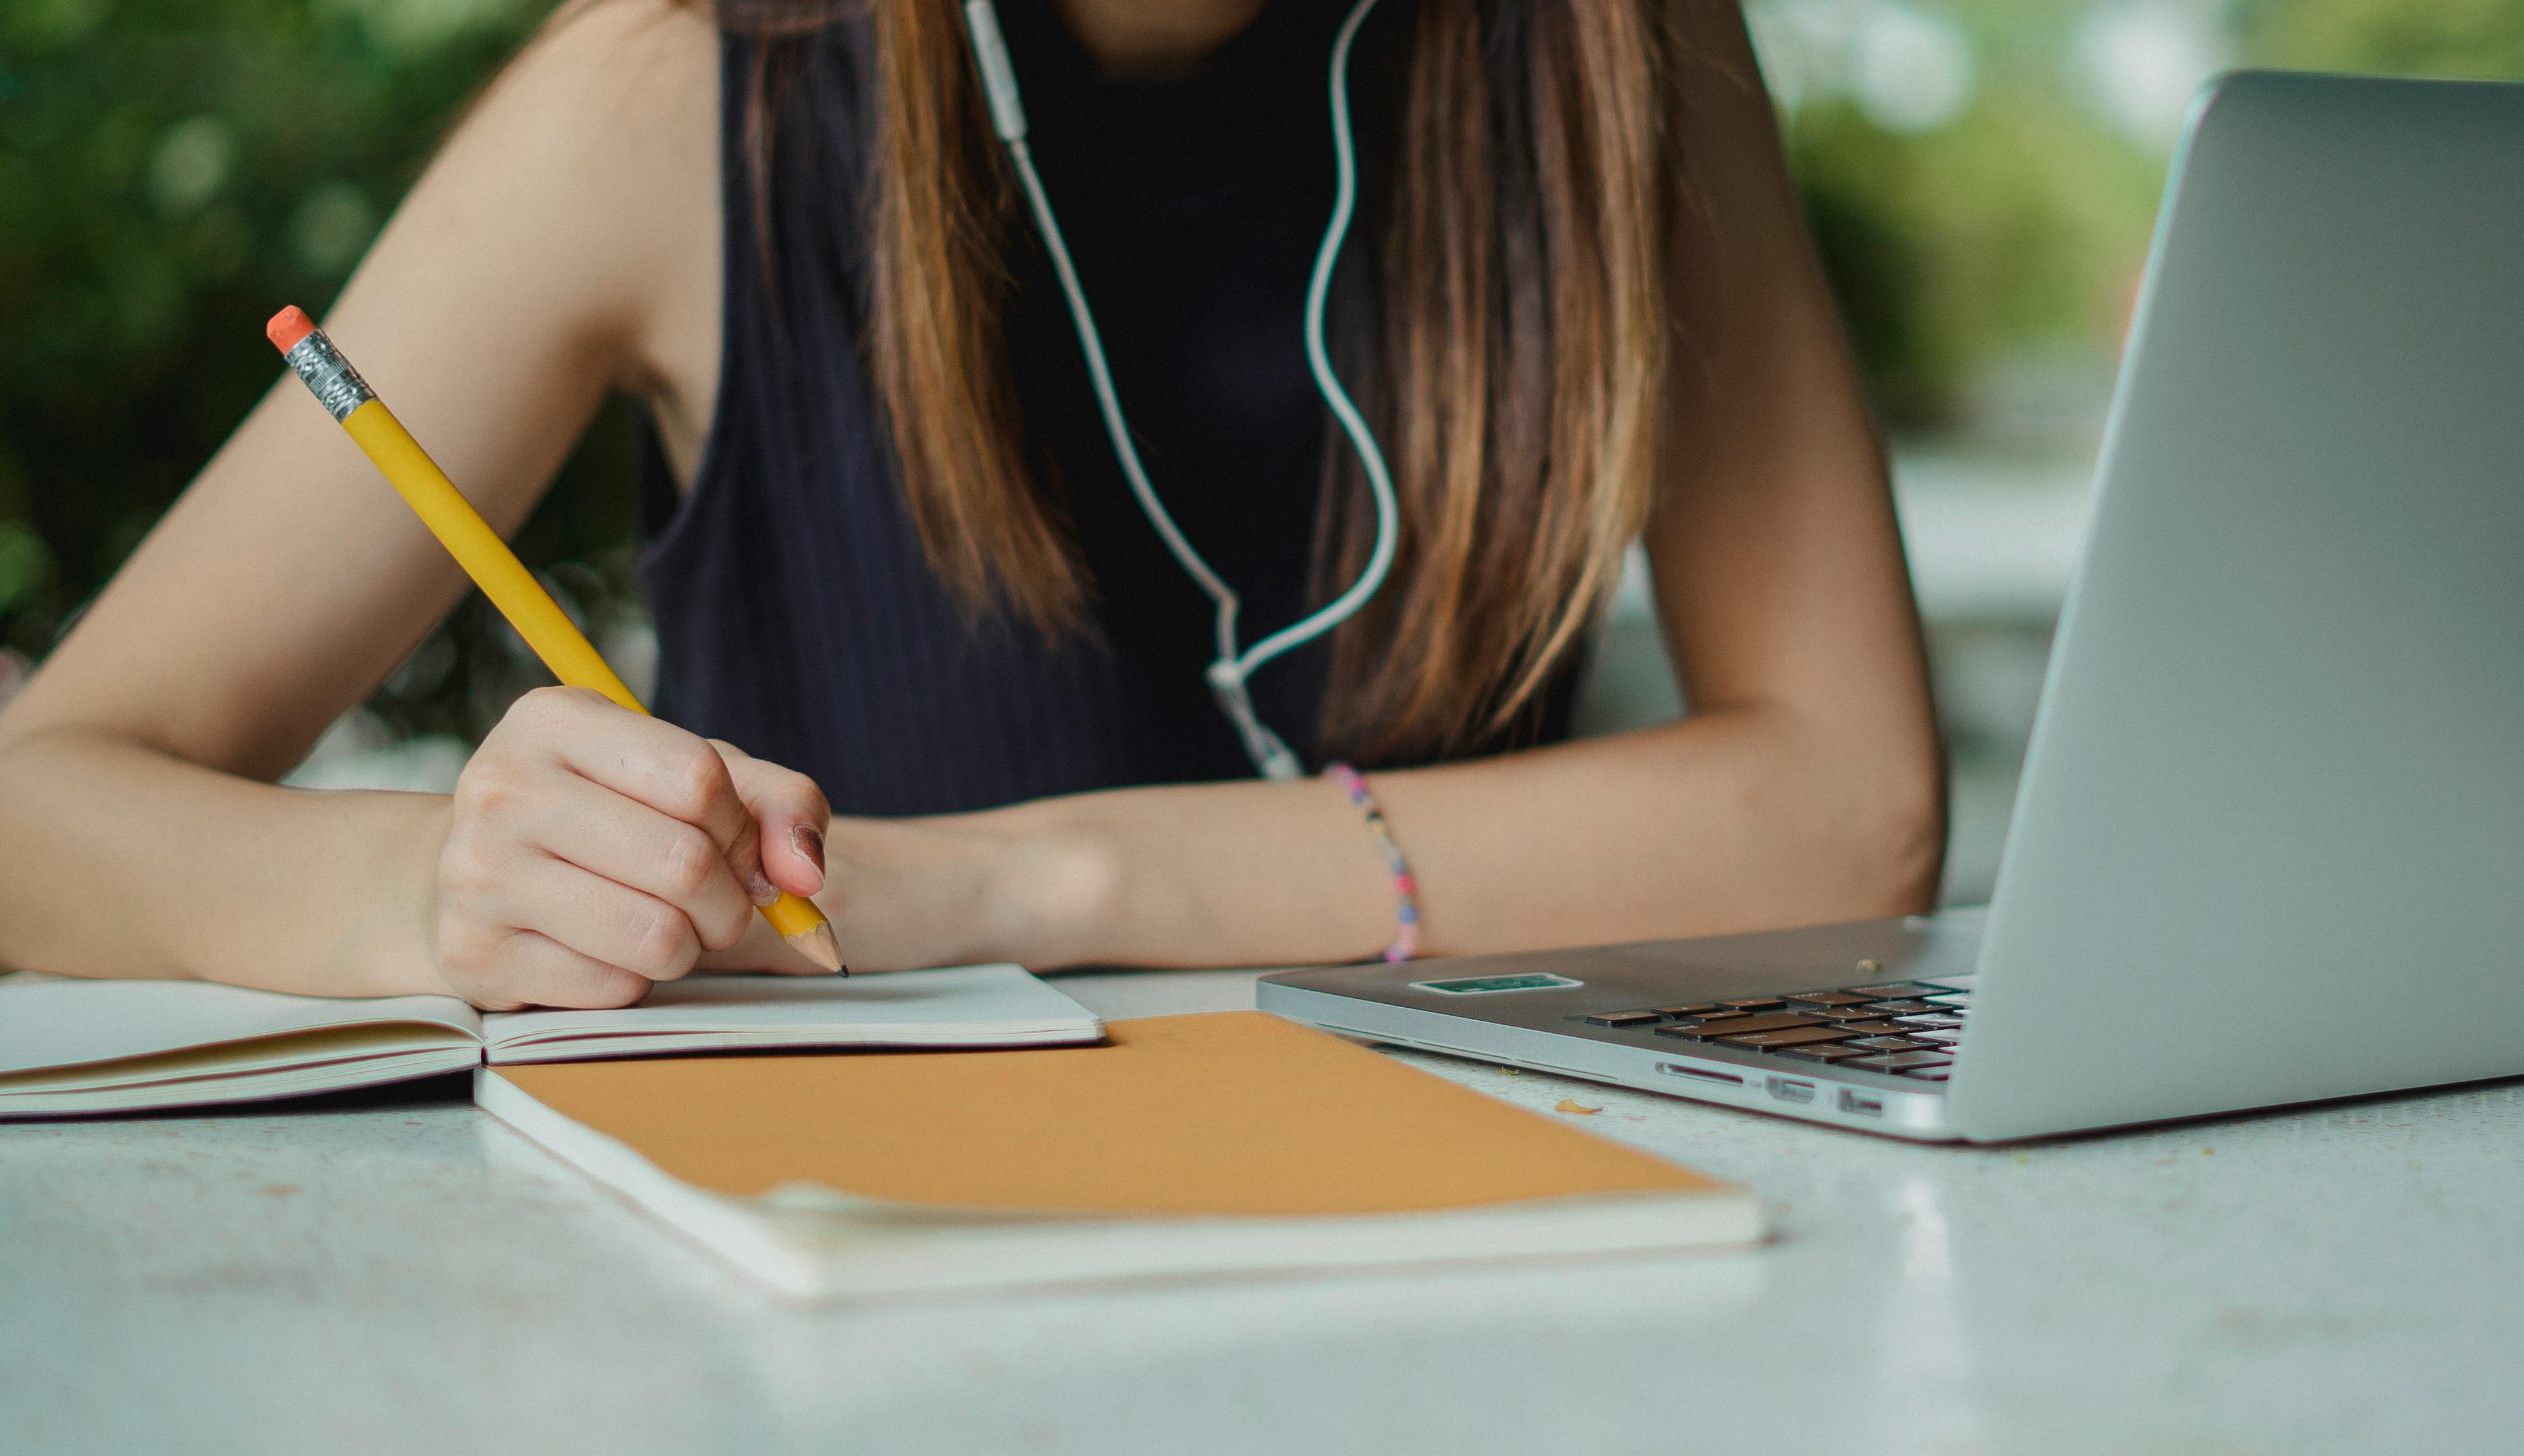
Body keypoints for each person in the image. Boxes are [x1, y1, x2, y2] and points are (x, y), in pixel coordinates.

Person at [0, 0, 1942, 1010]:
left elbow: (1843, 815)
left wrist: (1027, 882)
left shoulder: (1615, 62)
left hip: (1500, 1250)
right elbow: (40, 807)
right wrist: (424, 891)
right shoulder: (676, 92)